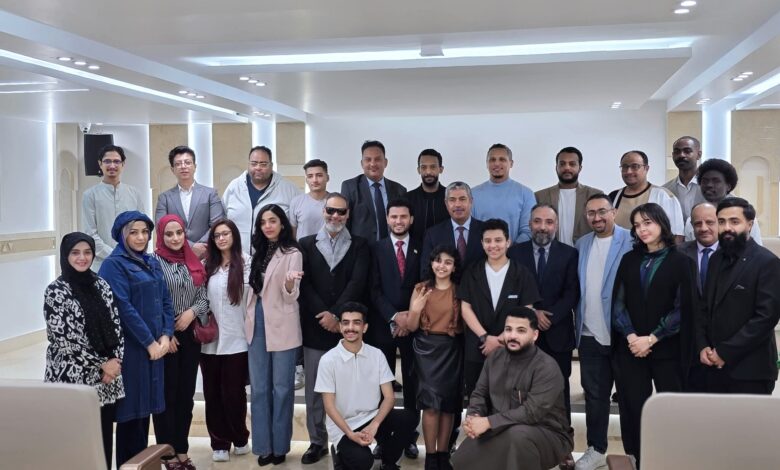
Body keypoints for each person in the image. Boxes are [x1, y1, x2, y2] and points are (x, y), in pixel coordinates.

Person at [611, 203, 696, 467]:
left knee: (671, 408)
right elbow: (618, 304)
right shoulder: (629, 259)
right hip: (632, 349)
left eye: (647, 223)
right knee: (632, 407)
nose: (642, 229)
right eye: (637, 225)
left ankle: (671, 460)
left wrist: (652, 338)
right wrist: (631, 337)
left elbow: (683, 309)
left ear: (662, 223)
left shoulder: (682, 261)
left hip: (669, 349)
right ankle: (637, 459)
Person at [451, 307, 574, 470]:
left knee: (517, 437)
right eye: (508, 329)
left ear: (535, 335)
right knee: (460, 460)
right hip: (500, 428)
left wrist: (488, 422)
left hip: (547, 433)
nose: (513, 336)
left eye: (521, 330)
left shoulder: (547, 367)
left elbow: (531, 412)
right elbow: (479, 394)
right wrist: (474, 417)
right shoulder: (494, 358)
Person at [298, 193, 371, 465]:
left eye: (341, 212)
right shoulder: (305, 244)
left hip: (347, 328)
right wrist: (325, 315)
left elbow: (357, 282)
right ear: (323, 211)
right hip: (315, 326)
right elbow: (305, 284)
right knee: (316, 391)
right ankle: (317, 441)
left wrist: (337, 316)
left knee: (349, 391)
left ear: (348, 215)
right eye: (331, 211)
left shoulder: (360, 245)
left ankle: (345, 441)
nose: (335, 216)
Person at [98, 211, 175, 467]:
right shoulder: (113, 265)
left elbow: (165, 300)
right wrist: (149, 343)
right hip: (133, 351)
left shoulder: (151, 262)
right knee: (131, 415)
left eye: (145, 232)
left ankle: (143, 464)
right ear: (122, 235)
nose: (141, 237)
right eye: (134, 232)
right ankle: (129, 465)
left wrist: (166, 334)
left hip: (156, 350)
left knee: (145, 414)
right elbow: (123, 307)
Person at [44, 232, 124, 469]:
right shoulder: (55, 291)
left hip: (105, 380)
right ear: (65, 255)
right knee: (73, 439)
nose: (82, 258)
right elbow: (64, 340)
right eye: (75, 253)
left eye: (87, 252)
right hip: (71, 378)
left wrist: (115, 362)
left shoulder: (101, 285)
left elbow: (117, 325)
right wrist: (102, 364)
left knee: (102, 438)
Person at [315, 302, 417, 470]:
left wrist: (375, 424)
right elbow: (329, 406)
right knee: (363, 461)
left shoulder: (376, 355)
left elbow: (389, 397)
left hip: (372, 416)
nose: (350, 328)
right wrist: (350, 434)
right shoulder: (328, 360)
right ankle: (340, 454)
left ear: (365, 327)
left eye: (356, 322)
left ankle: (388, 462)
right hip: (344, 425)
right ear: (340, 327)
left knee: (409, 419)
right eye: (346, 323)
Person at [696, 198, 780, 394]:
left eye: (734, 221)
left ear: (749, 225)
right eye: (722, 221)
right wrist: (702, 345)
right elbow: (704, 307)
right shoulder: (716, 259)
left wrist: (724, 352)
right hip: (713, 367)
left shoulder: (767, 262)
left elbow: (765, 318)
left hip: (751, 371)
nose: (727, 228)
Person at [572, 194, 632, 470]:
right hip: (589, 334)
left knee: (629, 396)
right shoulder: (582, 244)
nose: (597, 218)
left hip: (623, 334)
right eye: (591, 213)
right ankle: (596, 449)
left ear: (614, 212)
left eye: (602, 211)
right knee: (595, 397)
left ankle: (633, 451)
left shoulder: (631, 240)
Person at [507, 204, 579, 422]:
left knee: (559, 389)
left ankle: (562, 436)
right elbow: (511, 292)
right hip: (524, 333)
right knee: (523, 389)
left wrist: (549, 317)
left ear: (556, 225)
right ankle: (525, 435)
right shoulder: (514, 253)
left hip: (558, 333)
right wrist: (533, 315)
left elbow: (572, 293)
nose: (543, 227)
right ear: (530, 224)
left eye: (549, 222)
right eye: (537, 221)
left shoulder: (569, 254)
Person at [151, 214, 210, 470]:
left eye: (179, 233)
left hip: (189, 335)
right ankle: (167, 454)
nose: (175, 238)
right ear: (161, 236)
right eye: (169, 234)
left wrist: (192, 312)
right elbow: (151, 301)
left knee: (186, 396)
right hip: (165, 337)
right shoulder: (153, 263)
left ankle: (182, 449)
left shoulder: (192, 260)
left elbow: (204, 297)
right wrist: (166, 333)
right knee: (167, 397)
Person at [247, 204, 304, 466]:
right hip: (256, 322)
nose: (267, 226)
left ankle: (280, 446)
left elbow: (291, 296)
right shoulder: (257, 252)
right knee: (259, 389)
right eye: (263, 222)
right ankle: (263, 446)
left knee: (282, 389)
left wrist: (290, 283)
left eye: (272, 220)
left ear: (282, 224)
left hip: (283, 323)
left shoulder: (293, 253)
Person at [458, 218, 540, 397]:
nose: (493, 245)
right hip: (478, 347)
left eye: (498, 240)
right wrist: (485, 337)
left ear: (508, 242)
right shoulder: (472, 272)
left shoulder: (521, 273)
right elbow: (465, 308)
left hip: (512, 347)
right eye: (488, 241)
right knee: (476, 398)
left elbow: (527, 310)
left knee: (509, 401)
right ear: (482, 243)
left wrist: (501, 339)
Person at [368, 199, 422, 460]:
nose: (398, 221)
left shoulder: (422, 246)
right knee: (382, 386)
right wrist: (394, 317)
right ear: (387, 219)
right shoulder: (376, 248)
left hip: (414, 328)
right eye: (394, 217)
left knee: (413, 386)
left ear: (411, 219)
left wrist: (409, 318)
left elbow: (425, 284)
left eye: (403, 216)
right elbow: (373, 289)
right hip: (383, 327)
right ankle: (383, 438)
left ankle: (409, 438)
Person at [407, 245, 464, 470]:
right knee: (430, 406)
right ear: (431, 263)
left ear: (454, 267)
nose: (442, 266)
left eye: (448, 262)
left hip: (451, 350)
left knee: (448, 406)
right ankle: (430, 456)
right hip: (425, 351)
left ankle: (443, 454)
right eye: (438, 260)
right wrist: (415, 309)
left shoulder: (460, 291)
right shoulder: (420, 289)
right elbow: (411, 327)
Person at [200, 219, 252, 462]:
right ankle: (219, 443)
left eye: (226, 234)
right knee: (212, 395)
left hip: (237, 340)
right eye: (217, 235)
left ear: (234, 236)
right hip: (209, 342)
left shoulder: (247, 263)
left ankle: (240, 437)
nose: (221, 238)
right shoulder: (206, 266)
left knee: (234, 394)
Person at [222, 146, 302, 253]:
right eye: (254, 163)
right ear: (248, 164)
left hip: (275, 257)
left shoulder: (288, 189)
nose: (258, 167)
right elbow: (222, 220)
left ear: (271, 165)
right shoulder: (234, 187)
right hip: (237, 256)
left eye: (263, 164)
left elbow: (298, 224)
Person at [154, 145, 225, 259]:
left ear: (195, 166)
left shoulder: (210, 194)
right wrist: (190, 246)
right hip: (176, 255)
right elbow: (161, 228)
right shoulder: (164, 198)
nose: (183, 166)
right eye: (178, 164)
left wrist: (201, 247)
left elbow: (217, 224)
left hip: (206, 254)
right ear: (172, 169)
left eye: (187, 162)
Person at [82, 144, 145, 270]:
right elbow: (90, 234)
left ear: (123, 164)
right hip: (102, 264)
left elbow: (142, 229)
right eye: (107, 161)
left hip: (131, 262)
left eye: (116, 161)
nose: (112, 165)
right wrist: (116, 255)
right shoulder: (90, 195)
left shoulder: (134, 193)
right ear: (100, 164)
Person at [679, 202, 719, 391]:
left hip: (726, 347)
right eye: (697, 223)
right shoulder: (678, 253)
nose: (703, 228)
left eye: (710, 222)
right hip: (689, 344)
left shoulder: (735, 254)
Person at [608, 150, 684, 242]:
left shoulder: (663, 196)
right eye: (625, 167)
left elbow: (677, 236)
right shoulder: (613, 197)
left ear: (646, 168)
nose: (629, 171)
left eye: (635, 166)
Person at [683, 158, 762, 244]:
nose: (709, 185)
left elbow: (757, 249)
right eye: (705, 181)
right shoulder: (694, 218)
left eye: (716, 181)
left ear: (728, 186)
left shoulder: (744, 216)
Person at [534, 146, 603, 245]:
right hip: (551, 252)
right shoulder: (540, 196)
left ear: (580, 168)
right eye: (562, 164)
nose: (567, 167)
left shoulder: (595, 195)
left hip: (584, 251)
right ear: (556, 168)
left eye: (572, 164)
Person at [341, 140, 407, 241]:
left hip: (391, 248)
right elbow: (344, 223)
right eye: (368, 160)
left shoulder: (399, 190)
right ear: (362, 163)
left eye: (377, 159)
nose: (372, 164)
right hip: (361, 247)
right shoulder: (350, 187)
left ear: (385, 162)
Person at [471, 143, 536, 243]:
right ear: (487, 163)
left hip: (516, 251)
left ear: (511, 163)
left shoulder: (526, 194)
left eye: (502, 159)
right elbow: (470, 230)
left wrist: (510, 250)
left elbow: (528, 231)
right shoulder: (473, 194)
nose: (497, 163)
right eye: (492, 160)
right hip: (480, 252)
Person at [421, 182, 485, 271]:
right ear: (446, 203)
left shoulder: (485, 230)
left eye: (462, 199)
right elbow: (426, 271)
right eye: (452, 200)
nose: (457, 204)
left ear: (471, 201)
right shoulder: (432, 234)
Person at [406, 149, 448, 245]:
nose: (428, 172)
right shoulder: (407, 199)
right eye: (423, 167)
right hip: (415, 253)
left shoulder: (450, 198)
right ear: (418, 170)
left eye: (433, 167)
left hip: (446, 252)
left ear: (441, 169)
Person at [662, 136, 705, 222]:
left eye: (687, 151)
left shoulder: (712, 186)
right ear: (673, 155)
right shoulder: (665, 190)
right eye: (677, 152)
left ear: (699, 155)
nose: (681, 155)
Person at [289, 159, 330, 240]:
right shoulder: (296, 202)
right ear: (306, 180)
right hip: (302, 247)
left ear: (327, 178)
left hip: (329, 248)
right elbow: (293, 231)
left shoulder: (335, 202)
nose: (315, 180)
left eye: (319, 175)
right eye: (310, 176)